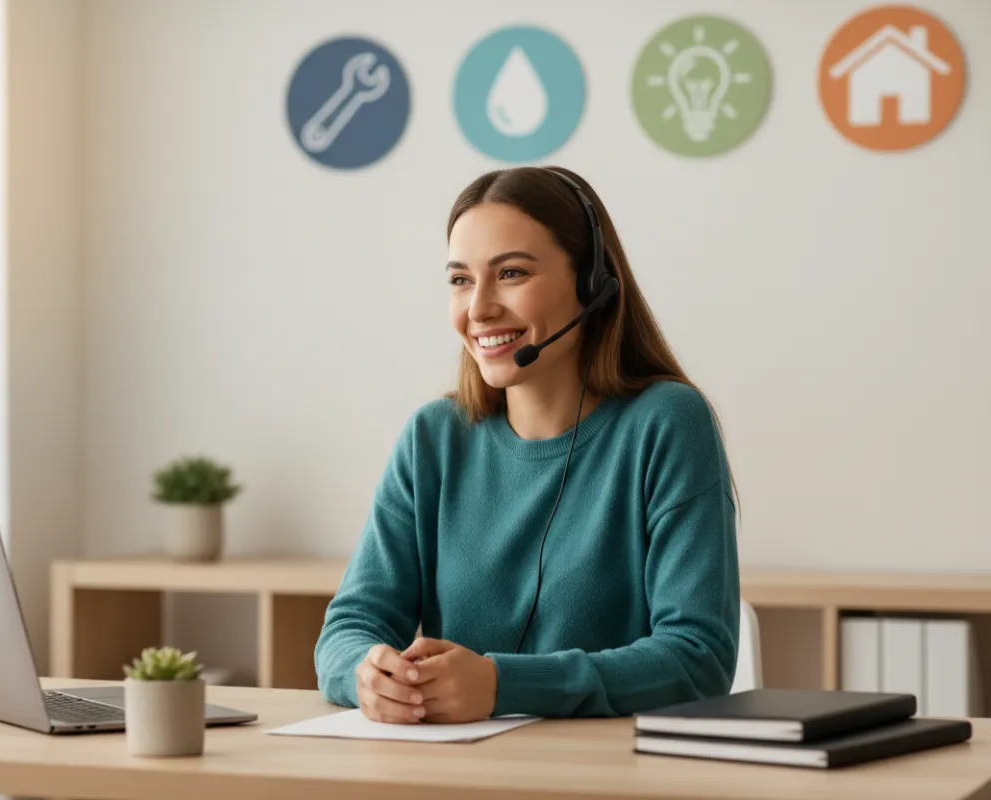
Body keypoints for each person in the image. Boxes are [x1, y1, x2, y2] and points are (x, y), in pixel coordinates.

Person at [313, 165, 740, 725]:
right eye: (461, 280)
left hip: (610, 776)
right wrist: (368, 675)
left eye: (510, 273)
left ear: (591, 283)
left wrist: (501, 684)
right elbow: (349, 627)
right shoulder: (433, 439)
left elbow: (697, 657)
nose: (479, 309)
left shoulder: (666, 423)